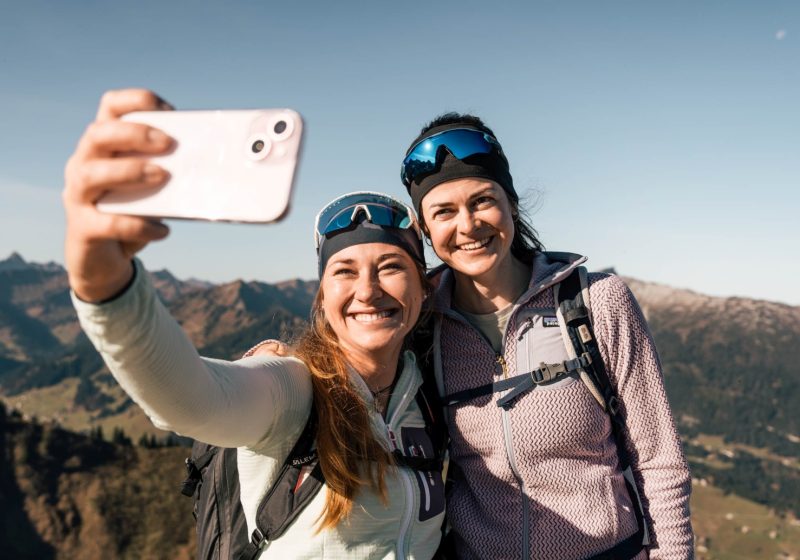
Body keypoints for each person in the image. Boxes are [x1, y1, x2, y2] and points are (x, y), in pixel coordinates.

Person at [63, 89, 445, 559]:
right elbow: (193, 399)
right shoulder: (294, 389)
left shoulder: (428, 389)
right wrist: (105, 284)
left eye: (390, 267)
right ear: (323, 297)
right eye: (344, 271)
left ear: (424, 287)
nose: (367, 290)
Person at [399, 113, 694, 559]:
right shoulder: (422, 325)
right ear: (424, 230)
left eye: (482, 200)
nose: (468, 225)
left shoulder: (596, 301)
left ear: (511, 205)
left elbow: (659, 459)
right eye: (444, 212)